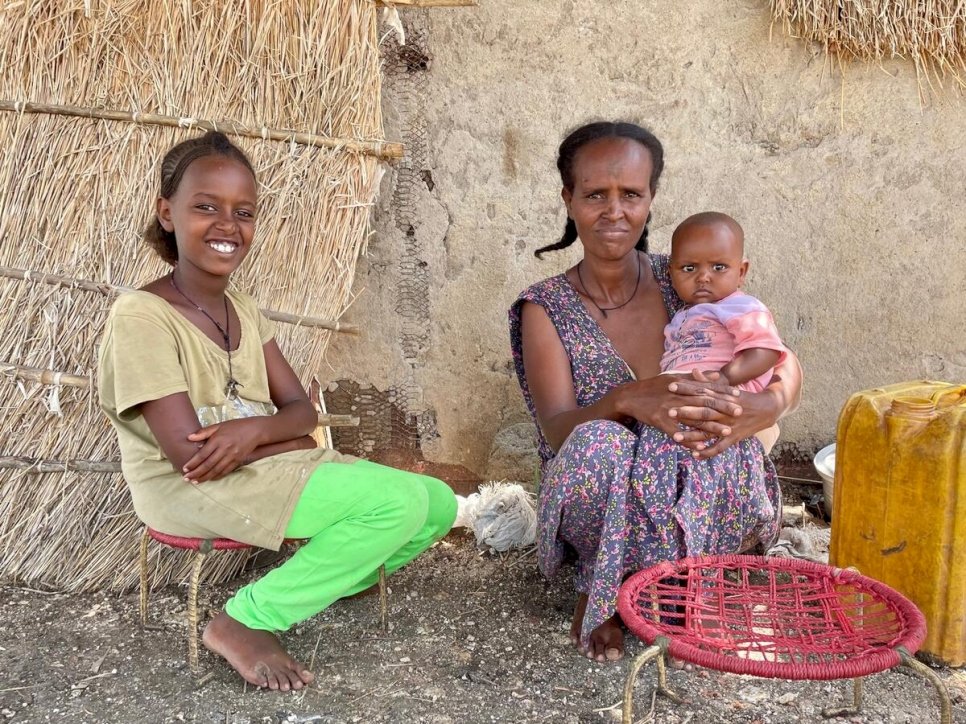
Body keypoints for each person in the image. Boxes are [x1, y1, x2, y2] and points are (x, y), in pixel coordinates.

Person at [98, 131, 456, 691]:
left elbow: (300, 410)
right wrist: (283, 437)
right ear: (167, 213)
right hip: (186, 486)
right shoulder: (142, 316)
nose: (227, 225)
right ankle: (244, 621)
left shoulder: (239, 307)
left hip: (255, 468)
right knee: (400, 502)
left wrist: (259, 432)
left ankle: (333, 574)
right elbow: (187, 452)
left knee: (436, 503)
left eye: (243, 212)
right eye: (205, 207)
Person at [508, 121, 802, 663]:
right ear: (568, 198)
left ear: (650, 200)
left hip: (696, 468)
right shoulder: (545, 307)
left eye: (631, 195)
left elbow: (778, 354)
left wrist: (764, 406)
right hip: (604, 489)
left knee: (711, 443)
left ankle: (683, 583)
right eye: (595, 194)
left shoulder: (691, 275)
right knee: (604, 443)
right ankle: (605, 591)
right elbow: (555, 429)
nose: (614, 211)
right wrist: (624, 399)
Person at [661, 211, 787, 392]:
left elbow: (766, 350)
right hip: (686, 398)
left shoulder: (742, 308)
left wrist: (725, 377)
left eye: (718, 267)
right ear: (671, 275)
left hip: (729, 395)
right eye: (689, 268)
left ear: (741, 272)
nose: (703, 277)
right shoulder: (679, 318)